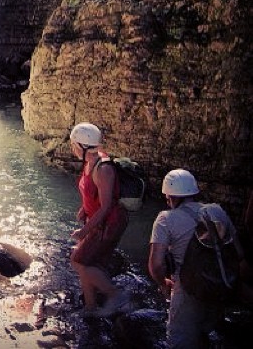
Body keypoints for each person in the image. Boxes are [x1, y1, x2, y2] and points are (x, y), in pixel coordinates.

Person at [148, 169, 242, 348]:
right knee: (204, 332)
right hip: (219, 284)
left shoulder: (165, 219)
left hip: (188, 289)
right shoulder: (217, 211)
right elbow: (238, 253)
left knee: (179, 341)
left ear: (170, 196)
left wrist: (163, 283)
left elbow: (156, 265)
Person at [69, 122, 130, 318]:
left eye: (73, 144)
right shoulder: (90, 162)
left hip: (108, 224)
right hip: (99, 222)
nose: (72, 148)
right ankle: (90, 306)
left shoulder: (104, 169)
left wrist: (84, 231)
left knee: (80, 263)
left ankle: (116, 295)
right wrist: (83, 209)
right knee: (87, 263)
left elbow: (105, 207)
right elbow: (92, 194)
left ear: (83, 146)